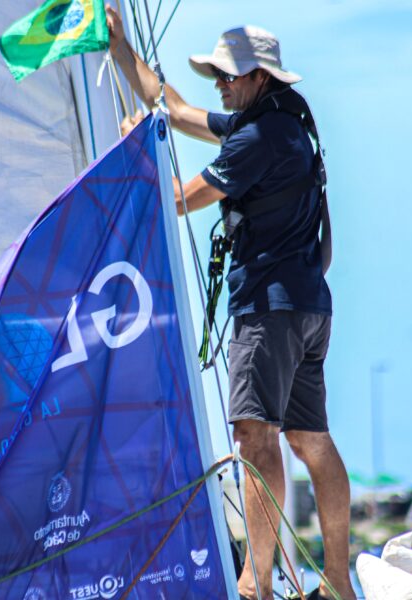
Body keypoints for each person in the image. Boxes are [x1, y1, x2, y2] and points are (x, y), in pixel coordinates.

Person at [106, 6, 356, 600]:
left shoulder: (258, 139)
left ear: (259, 77)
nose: (218, 83)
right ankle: (337, 582)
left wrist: (134, 156)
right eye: (216, 73)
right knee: (310, 440)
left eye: (228, 74)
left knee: (254, 439)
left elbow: (177, 199)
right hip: (307, 305)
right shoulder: (283, 121)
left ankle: (256, 585)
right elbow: (177, 110)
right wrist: (118, 47)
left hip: (269, 311)